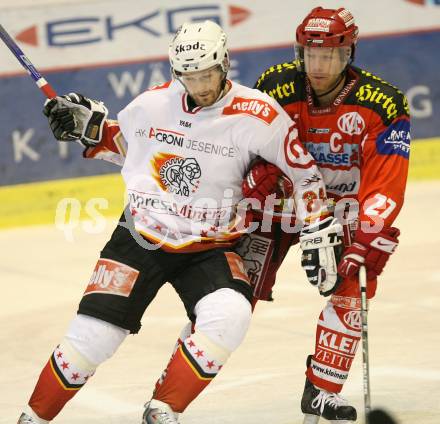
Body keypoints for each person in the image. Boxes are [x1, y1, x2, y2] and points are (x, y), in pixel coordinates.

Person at [17, 20, 341, 424]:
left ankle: (163, 408)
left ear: (224, 64)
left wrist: (317, 224)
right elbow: (126, 148)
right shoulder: (151, 104)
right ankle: (33, 417)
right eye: (190, 77)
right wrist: (90, 129)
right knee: (93, 338)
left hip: (210, 248)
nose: (201, 86)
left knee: (231, 315)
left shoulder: (258, 114)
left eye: (207, 74)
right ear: (176, 73)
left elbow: (303, 172)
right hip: (140, 238)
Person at [242, 6, 410, 423]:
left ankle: (321, 390)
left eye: (330, 56)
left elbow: (385, 184)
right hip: (283, 205)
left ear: (349, 53)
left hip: (343, 210)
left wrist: (369, 235)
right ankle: (171, 394)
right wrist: (253, 180)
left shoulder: (384, 104)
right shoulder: (275, 86)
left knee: (352, 282)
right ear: (300, 52)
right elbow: (242, 144)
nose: (319, 66)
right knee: (230, 289)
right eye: (311, 55)